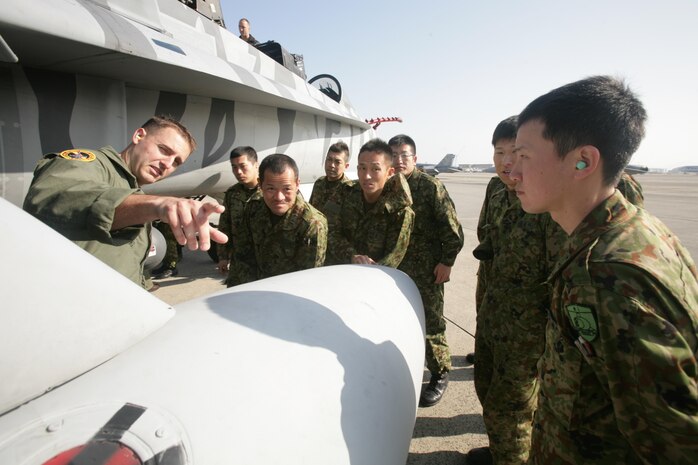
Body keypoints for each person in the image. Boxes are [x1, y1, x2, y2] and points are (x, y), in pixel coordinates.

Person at [510, 75, 698, 464]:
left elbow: (674, 441)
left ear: (584, 161)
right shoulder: (636, 229)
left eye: (525, 155)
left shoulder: (607, 276)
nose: (512, 171)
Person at [23, 116, 227, 288]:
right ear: (139, 136)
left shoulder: (133, 189)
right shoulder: (90, 164)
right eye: (164, 150)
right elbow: (54, 197)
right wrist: (157, 205)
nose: (167, 164)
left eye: (176, 162)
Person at [388, 134, 464, 408]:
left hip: (427, 269)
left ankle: (440, 372)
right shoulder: (389, 186)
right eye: (393, 155)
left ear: (414, 159)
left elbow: (452, 230)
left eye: (404, 155)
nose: (398, 161)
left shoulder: (430, 187)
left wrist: (447, 261)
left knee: (431, 323)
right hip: (395, 269)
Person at [230, 153, 327, 284]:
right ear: (260, 185)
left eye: (287, 189)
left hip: (288, 295)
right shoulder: (254, 208)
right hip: (254, 291)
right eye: (271, 189)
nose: (279, 197)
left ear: (297, 184)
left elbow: (308, 278)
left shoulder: (312, 224)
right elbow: (242, 256)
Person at [328, 138, 414, 267]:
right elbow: (330, 230)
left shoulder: (401, 211)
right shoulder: (344, 192)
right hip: (341, 270)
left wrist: (367, 268)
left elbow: (392, 258)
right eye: (362, 168)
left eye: (375, 169)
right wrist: (351, 256)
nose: (367, 176)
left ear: (390, 172)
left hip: (375, 278)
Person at [216, 146, 261, 287]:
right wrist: (223, 257)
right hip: (239, 263)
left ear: (255, 165)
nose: (238, 172)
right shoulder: (232, 194)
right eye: (234, 167)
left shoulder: (269, 191)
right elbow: (224, 225)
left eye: (243, 166)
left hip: (263, 262)